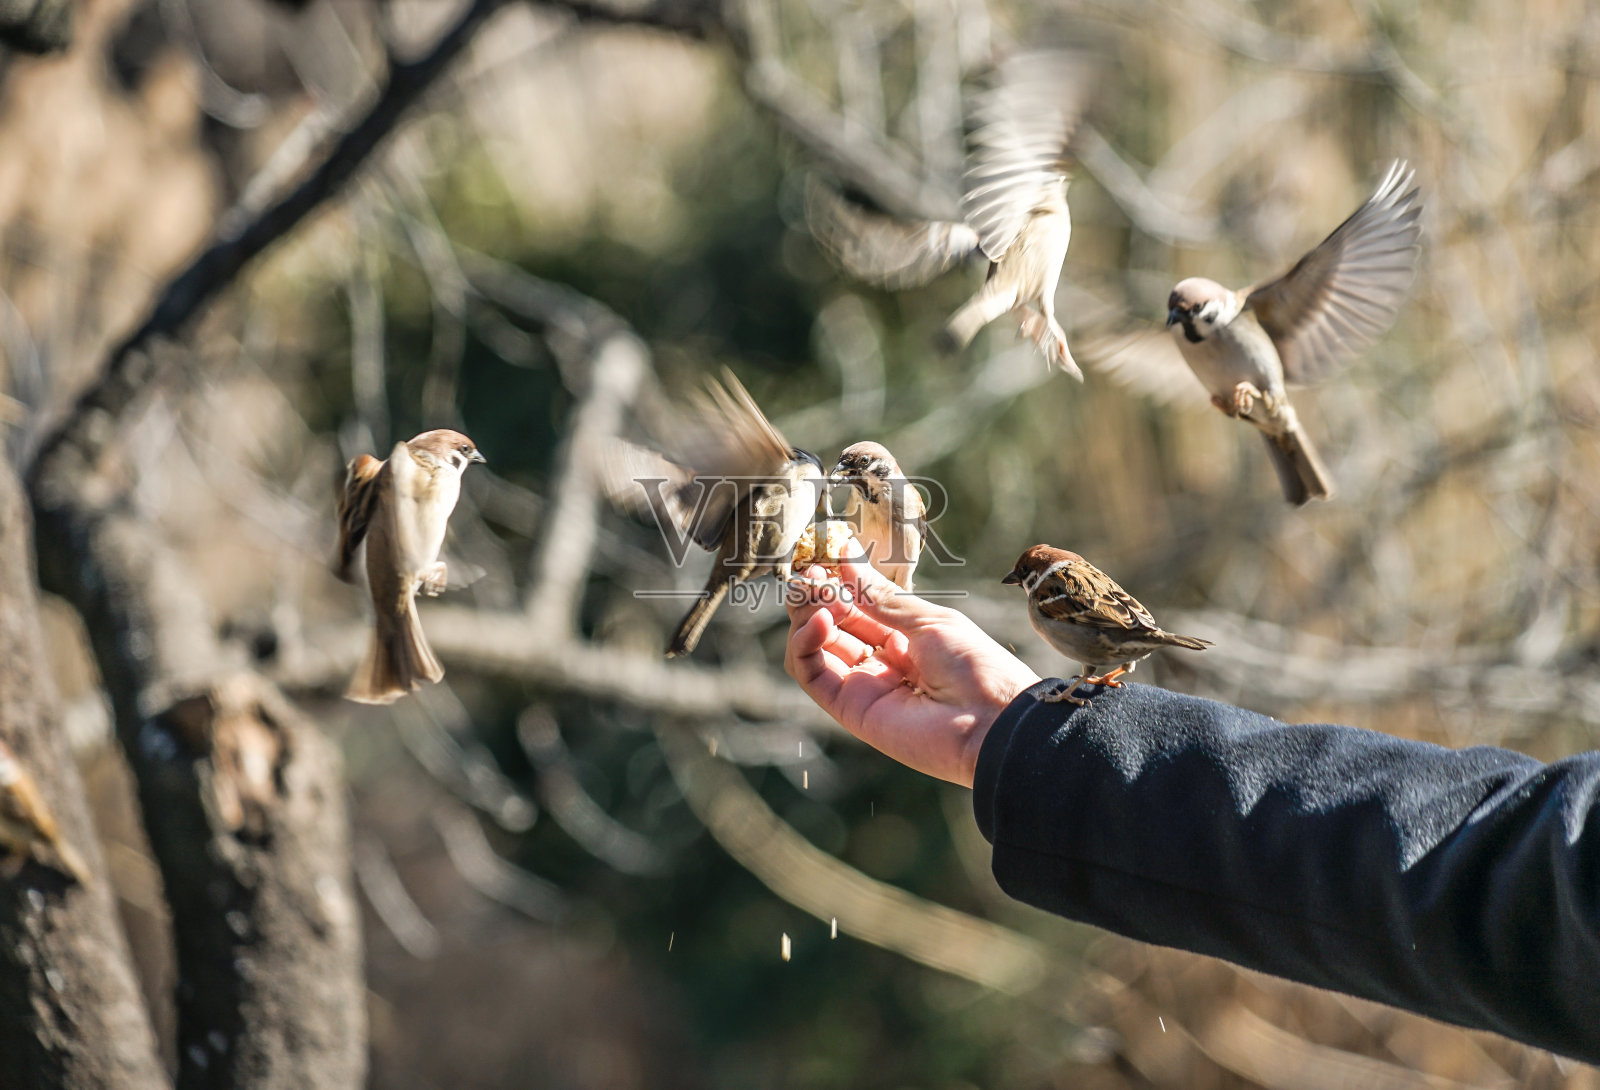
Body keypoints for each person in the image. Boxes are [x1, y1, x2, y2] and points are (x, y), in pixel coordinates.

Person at [784, 553, 1600, 1065]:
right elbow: (1483, 870)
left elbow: (1475, 876)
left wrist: (1031, 739)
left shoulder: (1063, 594)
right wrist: (1019, 736)